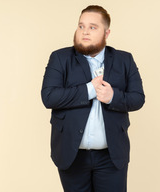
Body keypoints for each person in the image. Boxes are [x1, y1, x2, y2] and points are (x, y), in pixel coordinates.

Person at [41, 5, 145, 192]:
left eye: (92, 27)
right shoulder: (60, 58)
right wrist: (89, 90)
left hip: (112, 157)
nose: (85, 32)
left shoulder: (124, 60)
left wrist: (113, 97)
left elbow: (138, 98)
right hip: (71, 155)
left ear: (106, 33)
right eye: (81, 26)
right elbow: (49, 97)